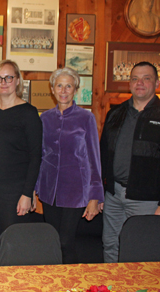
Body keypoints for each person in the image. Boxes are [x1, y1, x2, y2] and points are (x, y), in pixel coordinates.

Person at [100, 61, 160, 263]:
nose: (139, 82)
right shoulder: (115, 114)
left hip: (148, 202)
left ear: (157, 83)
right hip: (114, 197)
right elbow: (103, 154)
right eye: (134, 78)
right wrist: (99, 192)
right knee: (111, 246)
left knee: (142, 252)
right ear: (129, 84)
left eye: (146, 78)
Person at [35, 67, 104, 264]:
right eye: (59, 86)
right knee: (53, 240)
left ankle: (70, 281)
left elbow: (94, 158)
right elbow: (41, 155)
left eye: (68, 86)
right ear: (52, 89)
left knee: (66, 241)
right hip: (49, 191)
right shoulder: (45, 118)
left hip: (75, 191)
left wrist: (95, 196)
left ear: (75, 90)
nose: (63, 90)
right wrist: (35, 188)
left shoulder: (86, 118)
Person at [0, 59, 42, 266]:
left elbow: (36, 156)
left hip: (15, 188)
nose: (3, 82)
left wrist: (27, 192)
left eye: (8, 77)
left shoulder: (29, 113)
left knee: (12, 241)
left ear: (17, 81)